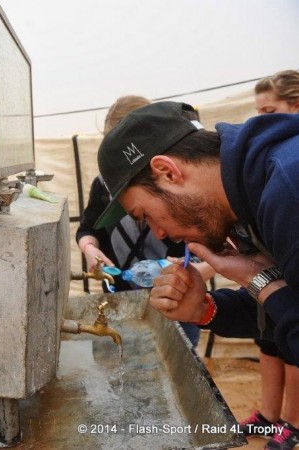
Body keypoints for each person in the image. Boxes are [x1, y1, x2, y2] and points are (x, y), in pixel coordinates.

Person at [93, 100, 299, 449]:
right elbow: (285, 308)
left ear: (168, 172)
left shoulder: (288, 193)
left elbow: (280, 301)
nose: (158, 234)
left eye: (144, 214)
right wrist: (204, 310)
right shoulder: (250, 193)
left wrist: (260, 280)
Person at [77, 95, 211, 347]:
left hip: (177, 304)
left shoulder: (181, 186)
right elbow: (87, 228)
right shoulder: (103, 184)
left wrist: (186, 276)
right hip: (121, 301)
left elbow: (216, 252)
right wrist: (91, 249)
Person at [237, 69, 299, 448]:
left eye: (270, 109)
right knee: (270, 342)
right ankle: (268, 415)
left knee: (293, 348)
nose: (261, 119)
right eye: (258, 111)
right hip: (269, 267)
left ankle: (292, 423)